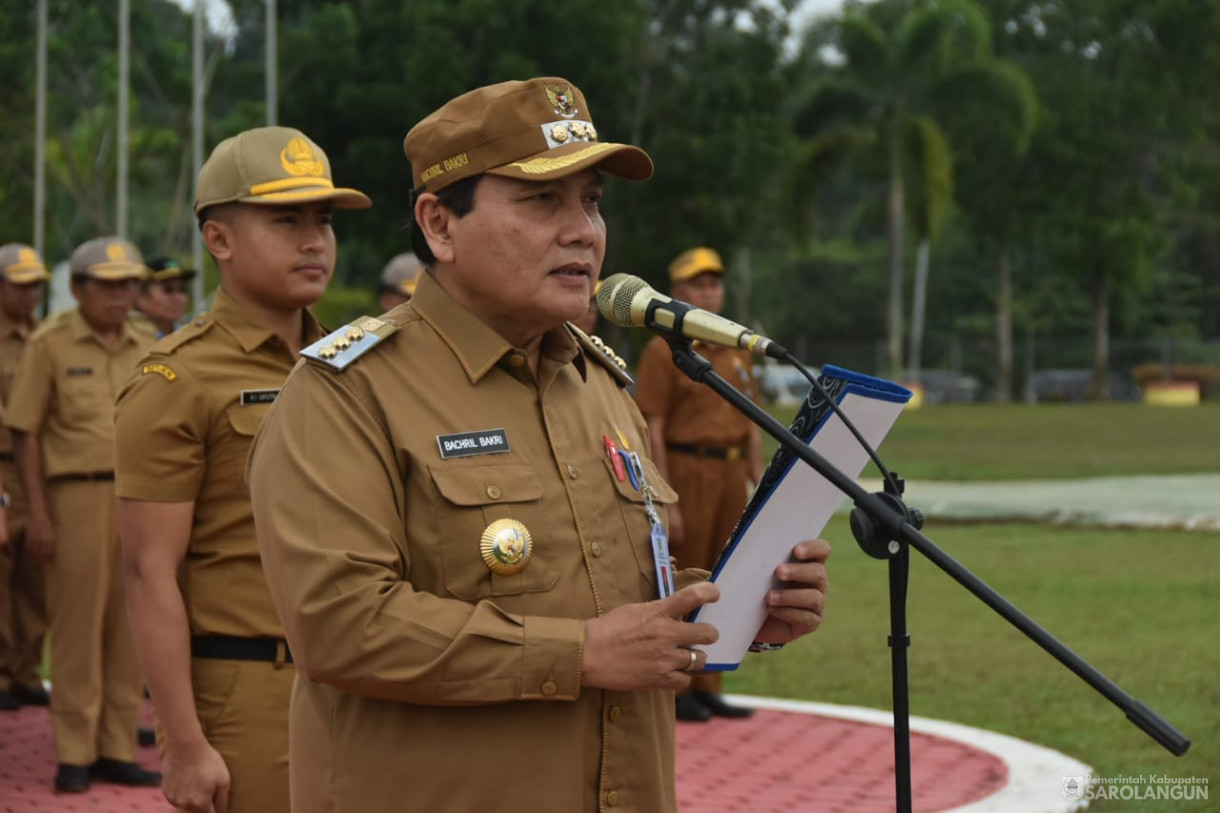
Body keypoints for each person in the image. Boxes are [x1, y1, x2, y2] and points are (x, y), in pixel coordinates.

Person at [247, 76, 830, 813]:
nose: (583, 231)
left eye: (591, 201)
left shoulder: (600, 387)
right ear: (439, 224)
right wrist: (579, 654)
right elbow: (339, 624)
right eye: (541, 200)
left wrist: (741, 605)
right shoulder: (347, 392)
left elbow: (616, 584)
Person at [115, 125, 370, 813]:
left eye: (322, 220)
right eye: (286, 219)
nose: (314, 239)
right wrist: (183, 742)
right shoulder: (178, 377)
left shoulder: (357, 361)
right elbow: (148, 571)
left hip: (367, 681)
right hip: (252, 688)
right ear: (219, 239)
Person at [5, 236, 159, 793]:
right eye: (110, 285)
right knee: (75, 628)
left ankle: (116, 746)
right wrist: (38, 515)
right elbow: (24, 431)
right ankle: (73, 750)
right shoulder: (51, 343)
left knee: (129, 626)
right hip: (76, 496)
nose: (122, 297)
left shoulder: (146, 342)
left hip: (140, 499)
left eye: (129, 285)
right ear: (78, 289)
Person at [633, 247, 765, 722]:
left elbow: (750, 423)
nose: (708, 292)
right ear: (678, 292)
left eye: (714, 283)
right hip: (687, 470)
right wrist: (668, 499)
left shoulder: (735, 349)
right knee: (686, 577)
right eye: (697, 284)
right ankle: (677, 687)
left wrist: (758, 484)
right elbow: (655, 427)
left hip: (730, 471)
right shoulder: (662, 349)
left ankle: (710, 682)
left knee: (725, 576)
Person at [0, 244, 50, 712]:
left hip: (35, 468)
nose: (31, 293)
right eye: (21, 284)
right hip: (1, 466)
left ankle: (27, 673)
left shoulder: (44, 337)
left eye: (36, 284)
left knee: (35, 575)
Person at [133, 257, 197, 337]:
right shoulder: (128, 340)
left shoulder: (190, 338)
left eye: (182, 290)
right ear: (141, 297)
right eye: (168, 290)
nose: (177, 298)